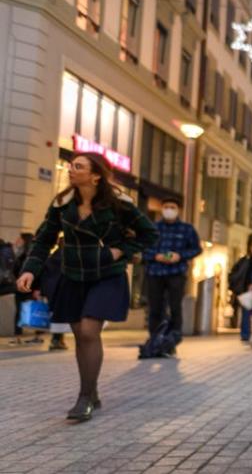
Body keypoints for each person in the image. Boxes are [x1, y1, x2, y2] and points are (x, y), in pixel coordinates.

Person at [16, 152, 158, 422]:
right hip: (72, 274)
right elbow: (44, 240)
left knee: (90, 331)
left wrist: (122, 252)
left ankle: (84, 397)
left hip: (107, 274)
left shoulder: (119, 204)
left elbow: (149, 234)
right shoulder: (61, 203)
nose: (71, 169)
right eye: (71, 165)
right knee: (80, 334)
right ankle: (92, 393)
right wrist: (29, 272)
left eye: (78, 166)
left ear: (95, 175)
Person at [143, 197, 201, 349]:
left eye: (172, 207)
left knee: (175, 307)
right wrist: (155, 255)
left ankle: (172, 340)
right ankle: (155, 339)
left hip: (176, 273)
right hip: (155, 272)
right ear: (162, 209)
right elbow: (142, 247)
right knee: (155, 307)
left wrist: (180, 255)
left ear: (178, 210)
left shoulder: (187, 229)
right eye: (166, 206)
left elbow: (196, 249)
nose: (169, 209)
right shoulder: (152, 227)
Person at [228, 234, 252, 342]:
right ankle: (245, 335)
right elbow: (234, 273)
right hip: (246, 292)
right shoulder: (244, 260)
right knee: (246, 313)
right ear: (250, 246)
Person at [10, 233, 44, 346]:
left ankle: (35, 336)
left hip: (31, 288)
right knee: (21, 312)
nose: (17, 240)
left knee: (35, 311)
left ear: (25, 241)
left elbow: (39, 273)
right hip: (21, 288)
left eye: (20, 239)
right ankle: (20, 337)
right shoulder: (18, 254)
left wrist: (38, 289)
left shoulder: (31, 257)